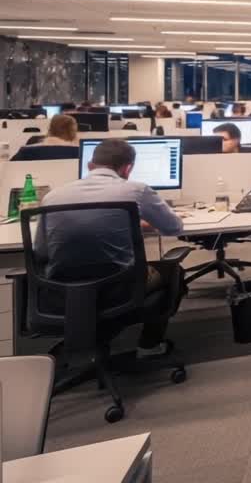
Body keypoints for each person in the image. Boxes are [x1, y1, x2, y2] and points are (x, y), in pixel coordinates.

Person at [36, 138, 185, 357]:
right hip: (119, 289)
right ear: (128, 168)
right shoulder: (136, 190)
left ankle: (86, 336)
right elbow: (173, 228)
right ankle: (149, 346)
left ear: (90, 165)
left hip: (62, 290)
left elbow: (41, 250)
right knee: (173, 271)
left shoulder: (51, 196)